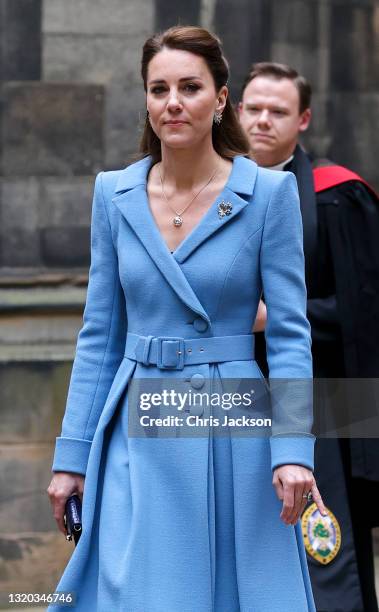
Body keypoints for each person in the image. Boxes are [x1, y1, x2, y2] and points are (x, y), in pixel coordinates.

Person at [46, 28, 326, 611]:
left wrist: (294, 448)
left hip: (232, 421)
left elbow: (291, 334)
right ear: (146, 101)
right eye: (159, 88)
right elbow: (99, 336)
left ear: (222, 98)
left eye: (190, 87)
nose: (172, 102)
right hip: (134, 420)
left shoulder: (270, 194)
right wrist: (71, 457)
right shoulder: (113, 194)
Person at [239, 61, 379, 612]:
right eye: (255, 108)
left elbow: (364, 310)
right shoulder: (198, 190)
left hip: (322, 399)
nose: (264, 121)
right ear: (233, 109)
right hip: (223, 397)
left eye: (279, 111)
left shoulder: (338, 197)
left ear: (303, 119)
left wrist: (276, 319)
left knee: (325, 553)